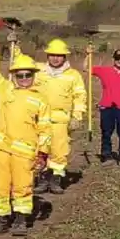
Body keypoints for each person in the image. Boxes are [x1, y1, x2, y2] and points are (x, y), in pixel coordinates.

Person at [0, 47, 52, 237]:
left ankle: (20, 220)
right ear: (13, 76)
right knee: (0, 185)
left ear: (33, 76)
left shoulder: (40, 100)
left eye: (27, 75)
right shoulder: (4, 89)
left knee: (23, 185)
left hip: (24, 151)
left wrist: (43, 153)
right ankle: (1, 219)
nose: (23, 79)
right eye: (19, 75)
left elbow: (45, 129)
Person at [33, 38, 87, 193]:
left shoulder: (73, 75)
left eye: (59, 55)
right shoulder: (38, 70)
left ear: (65, 57)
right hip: (40, 118)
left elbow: (79, 96)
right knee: (40, 150)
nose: (55, 58)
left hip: (61, 120)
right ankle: (42, 179)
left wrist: (77, 116)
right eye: (52, 55)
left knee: (59, 151)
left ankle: (55, 180)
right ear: (47, 55)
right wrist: (15, 46)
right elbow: (19, 67)